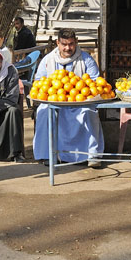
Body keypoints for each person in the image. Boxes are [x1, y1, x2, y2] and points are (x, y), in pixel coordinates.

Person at [32, 28, 104, 167]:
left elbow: (95, 82)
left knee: (89, 112)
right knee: (44, 111)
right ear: (57, 43)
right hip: (54, 101)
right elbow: (39, 81)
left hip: (80, 102)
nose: (67, 48)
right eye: (64, 44)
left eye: (71, 44)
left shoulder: (86, 59)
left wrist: (80, 90)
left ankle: (92, 155)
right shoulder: (48, 60)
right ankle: (48, 155)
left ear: (76, 42)